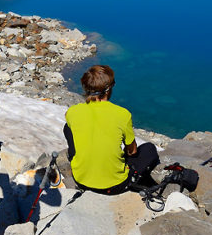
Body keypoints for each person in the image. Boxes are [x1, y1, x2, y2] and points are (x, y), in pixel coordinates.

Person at [63, 64, 159, 194]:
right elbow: (132, 151)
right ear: (108, 89)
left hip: (80, 179)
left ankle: (82, 164)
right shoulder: (122, 114)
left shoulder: (72, 112)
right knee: (149, 149)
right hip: (114, 186)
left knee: (67, 127)